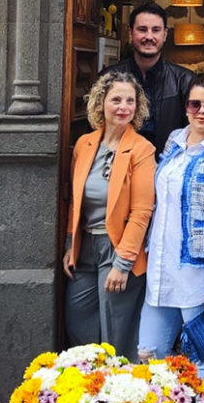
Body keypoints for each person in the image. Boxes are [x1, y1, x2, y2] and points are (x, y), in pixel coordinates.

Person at [138, 73, 204, 379]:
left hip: (199, 273)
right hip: (161, 266)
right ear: (185, 106)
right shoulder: (174, 140)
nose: (202, 111)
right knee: (151, 352)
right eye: (195, 104)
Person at [62, 71, 156, 361]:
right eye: (116, 99)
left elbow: (142, 212)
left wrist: (123, 263)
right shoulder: (84, 144)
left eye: (130, 100)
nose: (123, 107)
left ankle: (120, 399)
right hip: (85, 247)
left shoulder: (142, 149)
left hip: (118, 249)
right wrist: (70, 244)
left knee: (117, 338)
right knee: (78, 328)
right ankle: (81, 395)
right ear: (101, 103)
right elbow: (74, 201)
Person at [102, 2, 195, 153]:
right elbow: (96, 128)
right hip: (119, 166)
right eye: (142, 30)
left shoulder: (185, 81)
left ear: (165, 35)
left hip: (167, 168)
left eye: (156, 30)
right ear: (131, 33)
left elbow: (196, 133)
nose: (149, 36)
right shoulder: (108, 78)